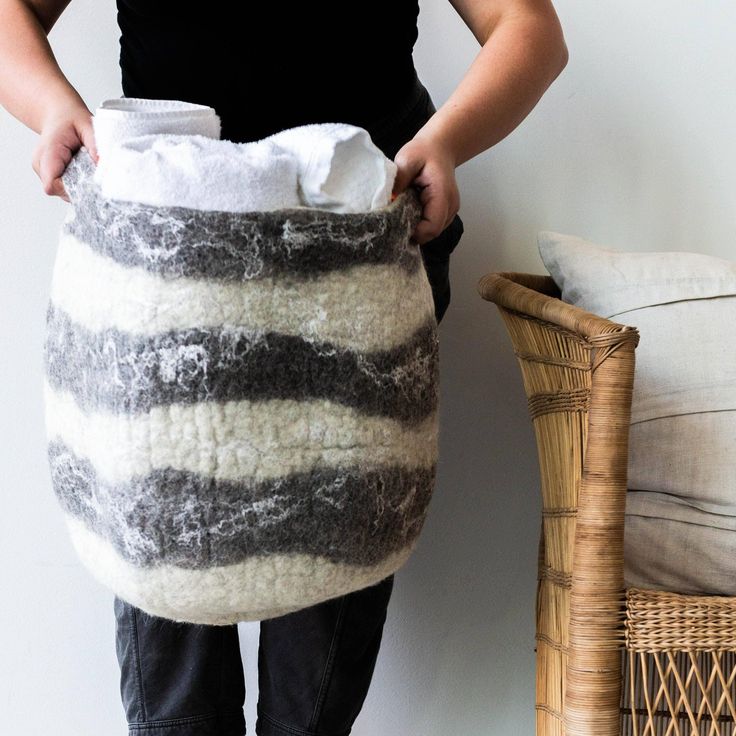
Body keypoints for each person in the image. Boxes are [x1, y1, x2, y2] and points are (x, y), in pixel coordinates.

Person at [0, 1, 568, 733]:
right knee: (171, 563)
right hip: (175, 258)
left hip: (360, 250)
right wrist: (53, 108)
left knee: (329, 579)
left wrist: (446, 143)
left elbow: (531, 33)